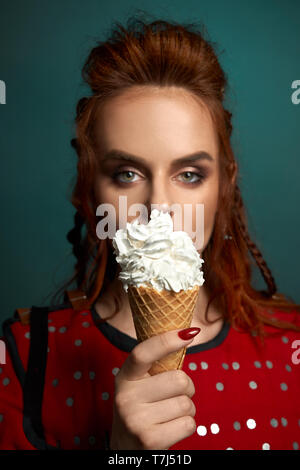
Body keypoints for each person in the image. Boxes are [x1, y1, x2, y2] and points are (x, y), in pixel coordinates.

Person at [1, 15, 300, 451]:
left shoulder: (291, 346)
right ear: (90, 188)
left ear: (225, 185)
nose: (159, 206)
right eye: (126, 173)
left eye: (190, 174)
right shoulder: (23, 356)